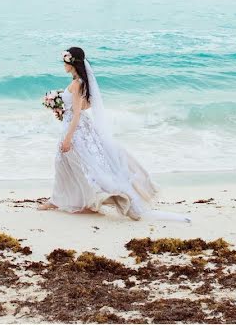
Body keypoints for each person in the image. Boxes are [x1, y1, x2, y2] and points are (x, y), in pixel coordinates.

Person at [37, 46, 192, 222]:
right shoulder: (80, 82)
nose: (63, 65)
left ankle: (75, 200)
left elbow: (78, 113)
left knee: (77, 165)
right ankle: (61, 200)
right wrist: (62, 108)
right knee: (69, 164)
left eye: (64, 61)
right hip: (78, 126)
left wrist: (67, 138)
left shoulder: (77, 84)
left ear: (71, 63)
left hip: (77, 129)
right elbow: (85, 106)